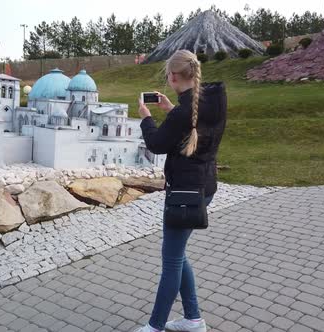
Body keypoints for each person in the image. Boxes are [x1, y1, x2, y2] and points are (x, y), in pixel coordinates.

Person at [135, 50, 227, 332]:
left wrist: (146, 117)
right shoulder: (214, 100)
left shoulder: (185, 112)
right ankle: (193, 319)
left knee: (171, 260)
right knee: (178, 253)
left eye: (167, 76)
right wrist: (170, 110)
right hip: (204, 187)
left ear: (173, 77)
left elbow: (157, 144)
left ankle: (155, 326)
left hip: (183, 195)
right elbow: (190, 124)